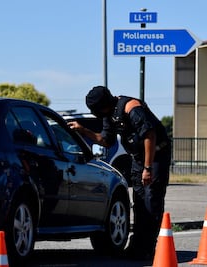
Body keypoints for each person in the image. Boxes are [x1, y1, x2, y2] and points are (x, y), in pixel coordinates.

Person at [68, 86, 171, 260]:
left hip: (155, 156)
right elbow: (106, 141)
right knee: (139, 202)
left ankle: (148, 248)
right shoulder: (109, 115)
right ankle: (138, 246)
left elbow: (150, 135)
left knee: (151, 199)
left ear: (103, 105)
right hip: (138, 158)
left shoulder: (131, 107)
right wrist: (83, 130)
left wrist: (147, 168)